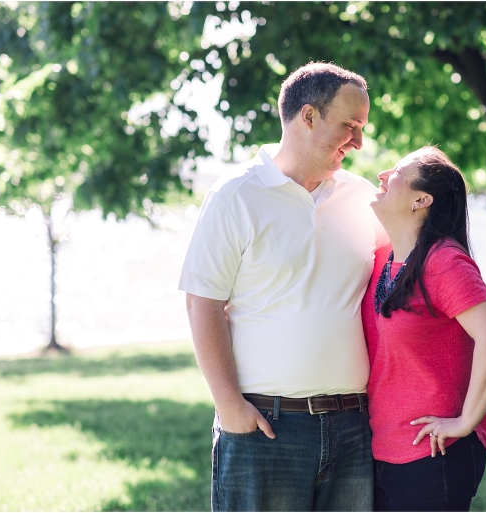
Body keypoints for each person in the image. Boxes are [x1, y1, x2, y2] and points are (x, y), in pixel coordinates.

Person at [179, 62, 388, 511]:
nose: (359, 142)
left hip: (353, 427)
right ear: (307, 117)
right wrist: (230, 407)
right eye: (350, 126)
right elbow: (203, 304)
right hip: (266, 428)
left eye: (363, 128)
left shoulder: (363, 199)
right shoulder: (235, 195)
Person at [362, 146, 486, 511]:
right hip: (383, 450)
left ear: (421, 200)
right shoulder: (385, 258)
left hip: (435, 455)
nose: (382, 175)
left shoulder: (443, 260)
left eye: (397, 172)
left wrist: (464, 423)